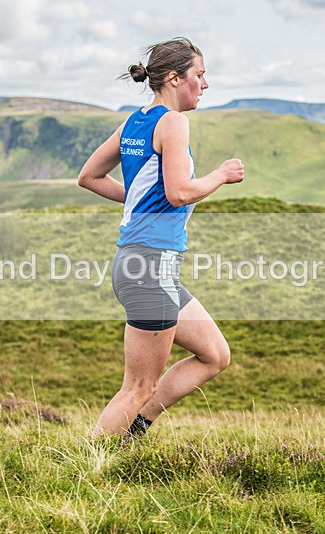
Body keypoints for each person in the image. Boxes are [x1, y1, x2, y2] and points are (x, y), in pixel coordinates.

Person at [78, 37, 244, 437]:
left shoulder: (135, 120)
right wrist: (220, 175)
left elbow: (88, 177)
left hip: (144, 263)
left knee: (214, 355)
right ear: (174, 78)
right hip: (150, 266)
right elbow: (178, 192)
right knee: (138, 386)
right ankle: (87, 465)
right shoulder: (173, 122)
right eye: (199, 75)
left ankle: (135, 430)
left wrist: (139, 202)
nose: (205, 85)